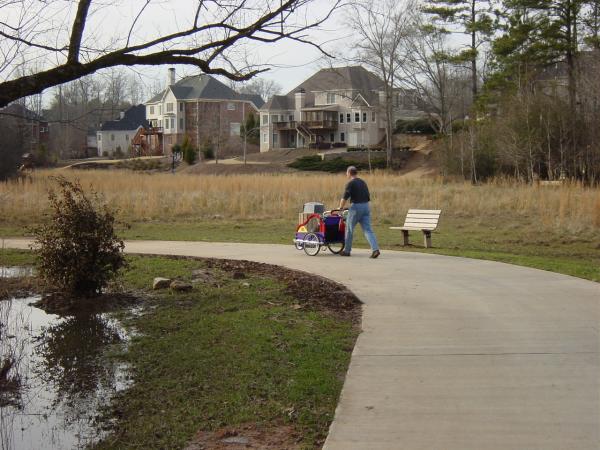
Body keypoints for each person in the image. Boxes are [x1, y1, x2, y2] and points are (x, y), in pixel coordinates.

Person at [338, 166, 380, 258]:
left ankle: (347, 251)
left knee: (349, 229)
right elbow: (368, 196)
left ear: (349, 173)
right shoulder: (363, 182)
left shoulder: (350, 183)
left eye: (346, 173)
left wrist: (340, 208)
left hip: (356, 208)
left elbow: (344, 197)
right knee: (368, 230)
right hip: (366, 207)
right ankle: (375, 249)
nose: (346, 174)